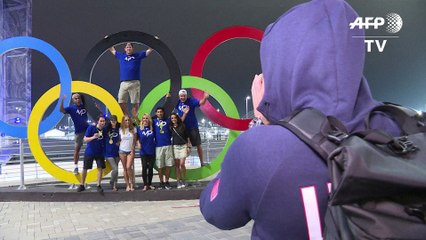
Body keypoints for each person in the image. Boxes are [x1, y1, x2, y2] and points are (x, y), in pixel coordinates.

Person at [199, 0, 400, 239]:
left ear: (280, 65)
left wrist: (262, 120)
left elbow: (216, 211)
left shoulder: (260, 150)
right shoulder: (400, 128)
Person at [109, 42, 153, 120]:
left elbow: (149, 50)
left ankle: (134, 117)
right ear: (125, 49)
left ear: (133, 49)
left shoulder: (138, 55)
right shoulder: (121, 56)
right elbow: (112, 50)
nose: (128, 48)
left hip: (134, 82)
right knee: (121, 100)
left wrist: (154, 41)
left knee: (135, 102)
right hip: (124, 82)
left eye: (130, 47)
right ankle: (126, 116)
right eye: (127, 47)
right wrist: (108, 40)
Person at [174, 89, 209, 166]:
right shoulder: (177, 102)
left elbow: (201, 102)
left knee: (198, 145)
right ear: (179, 96)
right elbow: (169, 105)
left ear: (186, 95)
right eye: (181, 96)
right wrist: (167, 98)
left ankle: (202, 162)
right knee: (184, 146)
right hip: (182, 128)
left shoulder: (191, 101)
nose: (182, 97)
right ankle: (182, 165)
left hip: (193, 127)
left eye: (184, 96)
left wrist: (205, 98)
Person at [60, 93, 89, 175]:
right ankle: (75, 167)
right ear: (73, 100)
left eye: (79, 98)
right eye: (75, 98)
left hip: (87, 130)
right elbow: (61, 110)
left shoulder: (85, 106)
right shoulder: (71, 108)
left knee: (94, 146)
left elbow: (95, 110)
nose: (77, 99)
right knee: (77, 149)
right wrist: (62, 101)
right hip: (78, 132)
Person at [77, 115, 107, 193]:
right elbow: (85, 139)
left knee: (100, 168)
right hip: (90, 152)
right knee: (85, 168)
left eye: (103, 121)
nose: (102, 123)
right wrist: (93, 137)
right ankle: (82, 184)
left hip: (100, 153)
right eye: (101, 121)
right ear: (98, 121)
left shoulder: (105, 130)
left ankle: (98, 185)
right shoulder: (91, 128)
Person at [152, 107, 173, 190]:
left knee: (168, 165)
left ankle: (167, 181)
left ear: (163, 113)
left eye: (161, 112)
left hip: (168, 145)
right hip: (158, 146)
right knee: (160, 166)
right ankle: (161, 182)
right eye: (158, 112)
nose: (160, 113)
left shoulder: (168, 120)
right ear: (156, 113)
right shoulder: (153, 121)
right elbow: (144, 121)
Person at [170, 112, 191, 189]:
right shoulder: (171, 127)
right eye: (172, 118)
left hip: (183, 146)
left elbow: (187, 136)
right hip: (175, 147)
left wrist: (189, 146)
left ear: (177, 118)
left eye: (174, 118)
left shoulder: (182, 126)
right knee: (177, 166)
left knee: (182, 164)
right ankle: (178, 181)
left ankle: (184, 179)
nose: (173, 119)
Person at [136, 113, 156, 191]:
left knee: (150, 168)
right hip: (143, 151)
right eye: (143, 118)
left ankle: (150, 184)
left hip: (152, 150)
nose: (145, 120)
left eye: (147, 118)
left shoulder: (152, 128)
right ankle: (145, 184)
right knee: (144, 167)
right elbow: (137, 138)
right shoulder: (139, 128)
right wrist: (138, 143)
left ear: (149, 119)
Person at [118, 115, 137, 192]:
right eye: (125, 120)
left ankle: (132, 183)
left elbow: (134, 141)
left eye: (128, 120)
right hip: (122, 151)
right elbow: (119, 140)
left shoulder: (133, 129)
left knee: (129, 167)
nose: (127, 122)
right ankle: (127, 185)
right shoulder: (120, 130)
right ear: (123, 121)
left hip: (130, 151)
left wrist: (133, 149)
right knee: (125, 168)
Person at [105, 115, 120, 191]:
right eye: (111, 120)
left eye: (114, 120)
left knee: (116, 169)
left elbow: (123, 137)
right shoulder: (107, 129)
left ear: (116, 121)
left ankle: (115, 185)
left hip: (117, 152)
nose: (113, 122)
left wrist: (120, 141)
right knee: (115, 169)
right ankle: (111, 181)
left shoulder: (119, 129)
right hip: (109, 152)